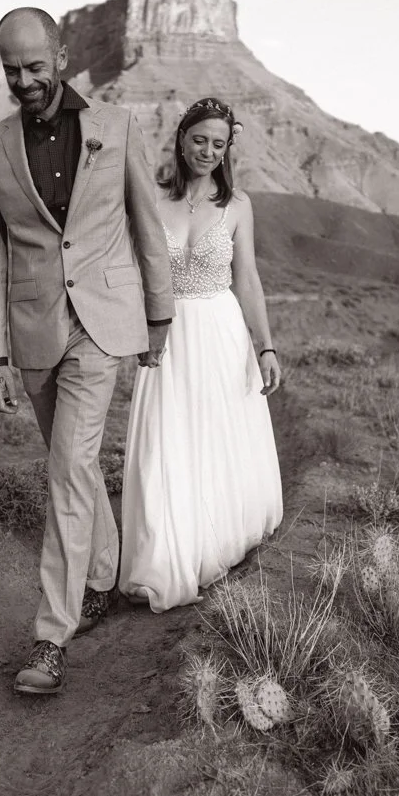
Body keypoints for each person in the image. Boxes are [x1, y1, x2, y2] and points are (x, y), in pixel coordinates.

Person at [0, 7, 174, 695]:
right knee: (76, 467)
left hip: (102, 325)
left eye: (34, 66)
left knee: (67, 468)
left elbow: (147, 225)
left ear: (59, 58)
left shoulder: (116, 127)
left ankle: (51, 636)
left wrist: (160, 313)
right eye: (11, 69)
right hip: (33, 332)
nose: (24, 80)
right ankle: (105, 577)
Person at [118, 97, 284, 611]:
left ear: (227, 148)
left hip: (220, 332)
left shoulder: (238, 207)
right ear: (181, 138)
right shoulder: (152, 199)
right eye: (199, 140)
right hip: (165, 335)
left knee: (215, 438)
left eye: (218, 143)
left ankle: (213, 539)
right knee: (165, 441)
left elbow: (247, 279)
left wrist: (265, 345)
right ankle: (165, 554)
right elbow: (133, 271)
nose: (208, 151)